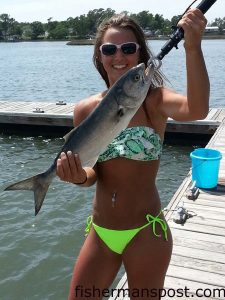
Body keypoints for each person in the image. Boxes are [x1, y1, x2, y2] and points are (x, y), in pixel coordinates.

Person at [56, 9, 209, 300]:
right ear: (99, 57)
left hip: (146, 232)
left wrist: (193, 46)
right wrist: (77, 177)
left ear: (139, 53)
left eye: (128, 48)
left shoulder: (156, 100)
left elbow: (198, 109)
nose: (119, 56)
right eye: (109, 49)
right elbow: (92, 174)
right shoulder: (85, 110)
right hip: (101, 232)